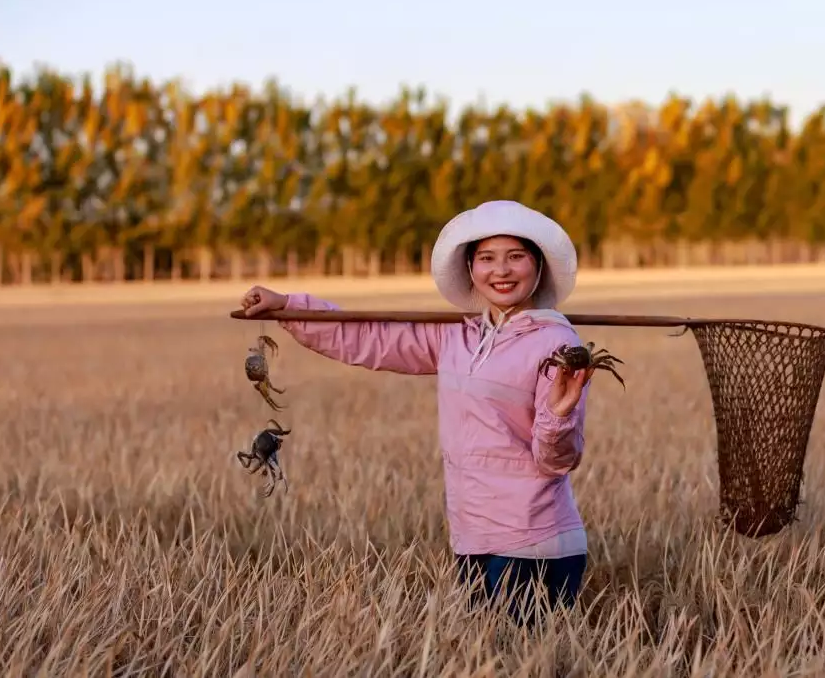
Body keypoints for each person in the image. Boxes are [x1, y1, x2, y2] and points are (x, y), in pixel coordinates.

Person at [240, 200, 596, 624]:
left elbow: (556, 460)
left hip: (533, 541)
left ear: (538, 266)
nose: (501, 270)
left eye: (515, 257)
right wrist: (288, 306)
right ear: (470, 269)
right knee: (485, 655)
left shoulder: (555, 344)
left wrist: (559, 417)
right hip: (473, 537)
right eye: (486, 258)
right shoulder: (458, 336)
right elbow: (368, 337)